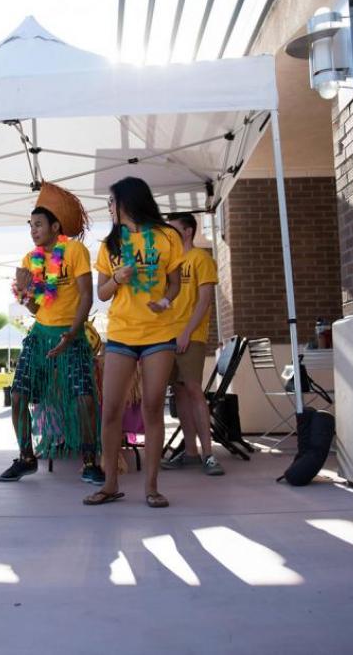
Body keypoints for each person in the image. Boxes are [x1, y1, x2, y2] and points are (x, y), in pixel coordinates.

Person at [85, 176, 182, 508]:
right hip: (122, 335)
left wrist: (166, 301)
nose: (109, 208)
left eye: (112, 202)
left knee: (153, 408)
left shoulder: (167, 236)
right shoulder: (109, 245)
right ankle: (110, 483)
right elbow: (101, 293)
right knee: (110, 410)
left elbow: (174, 284)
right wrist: (116, 278)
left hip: (158, 334)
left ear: (127, 201)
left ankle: (152, 487)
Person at [1, 183, 103, 485]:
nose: (33, 230)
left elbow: (87, 295)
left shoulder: (74, 250)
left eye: (38, 224)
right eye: (30, 225)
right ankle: (26, 457)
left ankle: (89, 461)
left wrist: (72, 334)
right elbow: (35, 308)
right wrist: (23, 293)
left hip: (70, 336)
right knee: (18, 395)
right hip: (40, 336)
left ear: (55, 226)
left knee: (84, 398)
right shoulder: (29, 260)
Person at [161, 212, 224, 477]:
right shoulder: (170, 262)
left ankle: (209, 455)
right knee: (179, 393)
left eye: (173, 229)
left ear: (187, 231)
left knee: (195, 390)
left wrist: (186, 332)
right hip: (166, 337)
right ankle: (190, 453)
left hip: (191, 336)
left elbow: (204, 300)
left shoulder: (201, 258)